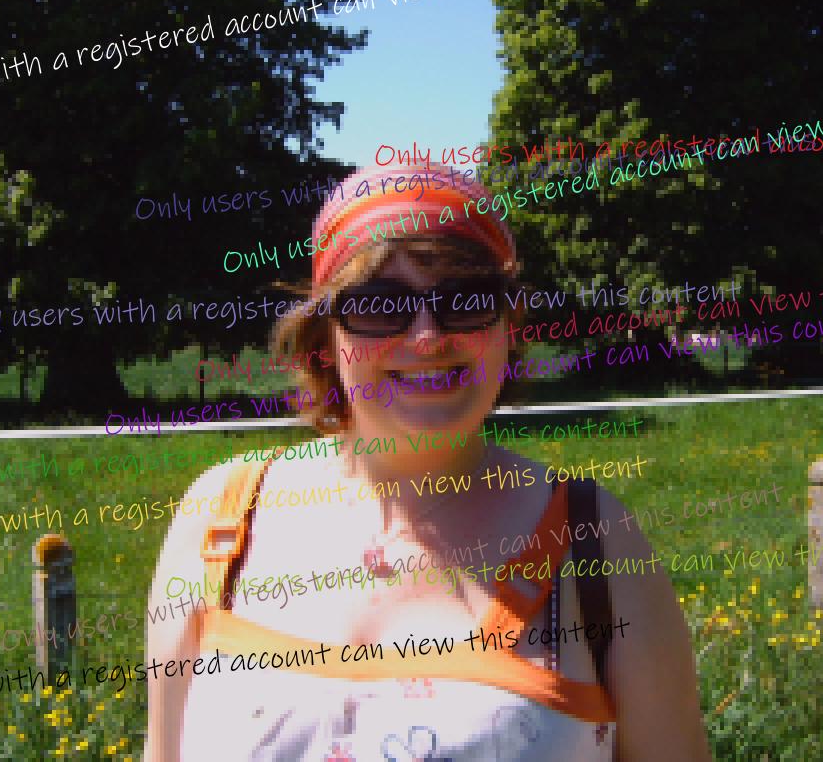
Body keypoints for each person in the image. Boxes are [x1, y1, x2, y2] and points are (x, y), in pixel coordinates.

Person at [146, 167, 710, 760]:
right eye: (378, 305)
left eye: (466, 301)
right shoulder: (220, 520)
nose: (426, 338)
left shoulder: (592, 537)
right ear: (324, 337)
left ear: (509, 328)